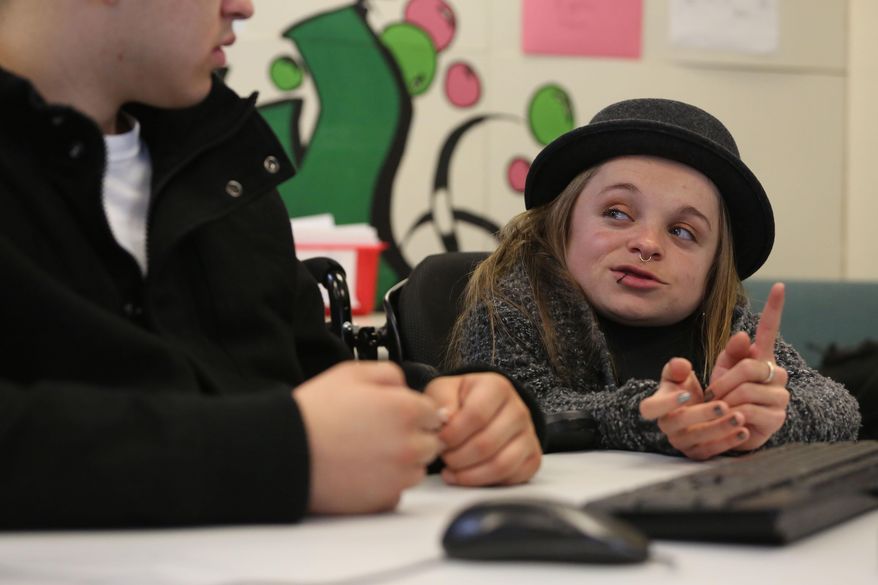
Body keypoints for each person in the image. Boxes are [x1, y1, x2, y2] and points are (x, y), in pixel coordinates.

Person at [0, 0, 543, 528]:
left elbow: (310, 379)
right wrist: (279, 452)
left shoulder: (221, 166)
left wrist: (450, 411)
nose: (243, 7)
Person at [448, 97, 860, 459]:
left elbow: (838, 408)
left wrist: (758, 418)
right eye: (617, 213)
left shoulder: (731, 330)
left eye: (683, 232)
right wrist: (656, 417)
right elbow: (523, 407)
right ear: (562, 223)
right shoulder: (511, 307)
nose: (647, 243)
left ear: (713, 267)